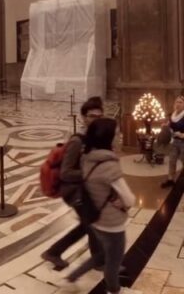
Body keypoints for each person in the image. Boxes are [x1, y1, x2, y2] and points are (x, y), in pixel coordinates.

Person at [61, 118, 135, 294]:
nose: (120, 137)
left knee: (101, 255)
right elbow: (130, 200)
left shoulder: (88, 157)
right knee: (113, 261)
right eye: (117, 134)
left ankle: (71, 278)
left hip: (93, 217)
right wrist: (120, 200)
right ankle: (114, 290)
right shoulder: (109, 165)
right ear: (108, 138)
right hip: (111, 222)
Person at [41, 96, 105, 271]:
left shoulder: (95, 139)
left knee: (90, 224)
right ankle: (97, 261)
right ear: (84, 117)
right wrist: (90, 173)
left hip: (85, 190)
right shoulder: (77, 141)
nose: (96, 120)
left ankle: (55, 252)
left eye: (100, 117)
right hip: (74, 191)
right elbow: (66, 173)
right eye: (92, 116)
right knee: (91, 224)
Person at [162, 95, 184, 188]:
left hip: (183, 142)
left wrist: (182, 135)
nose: (178, 104)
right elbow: (171, 127)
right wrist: (166, 126)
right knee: (172, 161)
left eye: (180, 102)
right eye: (176, 102)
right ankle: (170, 179)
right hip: (174, 142)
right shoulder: (173, 115)